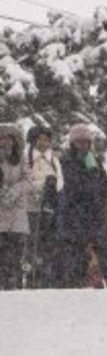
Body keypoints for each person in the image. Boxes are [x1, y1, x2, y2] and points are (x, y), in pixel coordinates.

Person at [58, 124, 107, 288]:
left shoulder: (95, 164)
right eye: (79, 142)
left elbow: (104, 192)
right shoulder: (65, 163)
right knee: (76, 261)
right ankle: (75, 291)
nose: (84, 146)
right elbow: (69, 191)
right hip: (75, 220)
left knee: (105, 256)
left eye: (86, 142)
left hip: (97, 219)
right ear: (72, 144)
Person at [23, 125, 61, 288]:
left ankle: (46, 276)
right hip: (31, 207)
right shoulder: (27, 158)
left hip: (50, 206)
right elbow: (26, 179)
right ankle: (31, 275)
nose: (43, 143)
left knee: (48, 242)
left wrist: (54, 188)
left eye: (46, 140)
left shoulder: (53, 158)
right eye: (40, 139)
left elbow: (60, 179)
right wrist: (40, 187)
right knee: (32, 242)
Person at [0, 123, 32, 290]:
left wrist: (14, 191)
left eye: (8, 138)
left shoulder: (21, 158)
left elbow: (27, 179)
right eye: (2, 138)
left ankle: (15, 285)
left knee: (15, 255)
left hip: (17, 213)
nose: (5, 142)